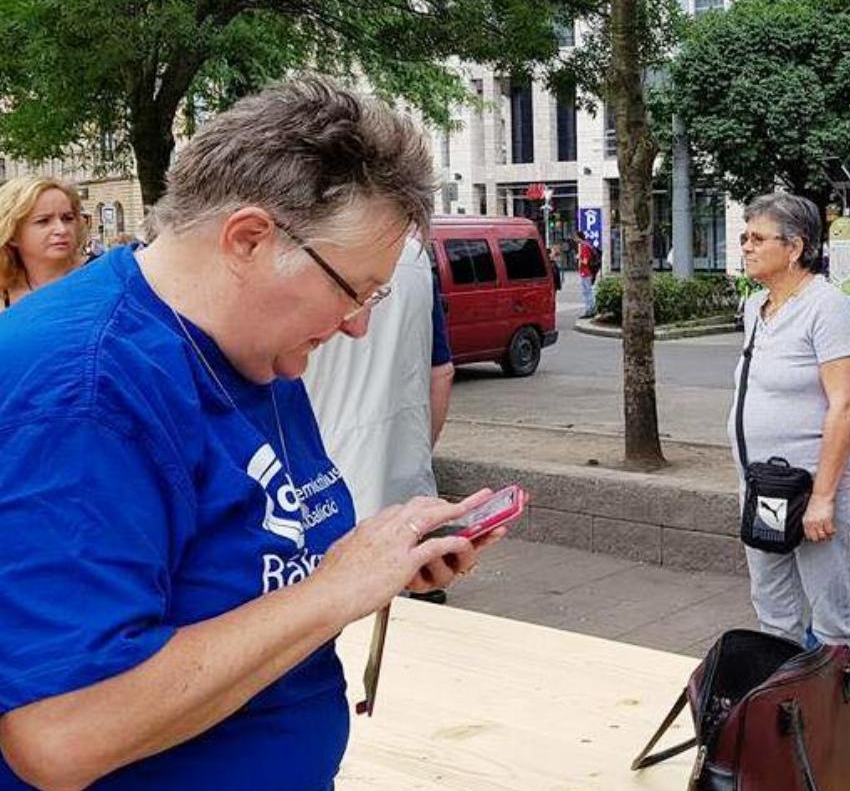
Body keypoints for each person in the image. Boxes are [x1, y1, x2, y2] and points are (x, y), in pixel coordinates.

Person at [0, 78, 506, 790]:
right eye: (353, 288)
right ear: (248, 239)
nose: (360, 323)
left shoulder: (254, 352)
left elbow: (255, 571)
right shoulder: (83, 394)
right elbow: (62, 733)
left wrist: (382, 559)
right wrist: (336, 588)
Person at [729, 192, 850, 662]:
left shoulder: (825, 306)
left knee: (833, 619)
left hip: (811, 489)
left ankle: (839, 719)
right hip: (763, 487)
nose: (746, 246)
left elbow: (845, 404)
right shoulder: (756, 307)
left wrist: (825, 497)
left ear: (794, 248)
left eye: (758, 238)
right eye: (745, 236)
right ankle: (782, 710)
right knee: (773, 609)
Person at [303, 234, 456, 518]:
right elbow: (441, 374)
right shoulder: (414, 256)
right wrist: (416, 452)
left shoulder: (300, 250)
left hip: (316, 496)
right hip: (405, 487)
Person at [0, 175, 88, 312]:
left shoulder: (103, 275)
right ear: (12, 235)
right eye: (44, 221)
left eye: (67, 218)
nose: (62, 230)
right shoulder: (4, 291)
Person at [578, 235, 599, 318]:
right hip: (586, 273)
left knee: (587, 292)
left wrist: (579, 258)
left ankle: (589, 310)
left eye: (576, 238)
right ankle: (590, 309)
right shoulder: (586, 247)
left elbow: (585, 262)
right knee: (588, 292)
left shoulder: (584, 248)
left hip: (586, 273)